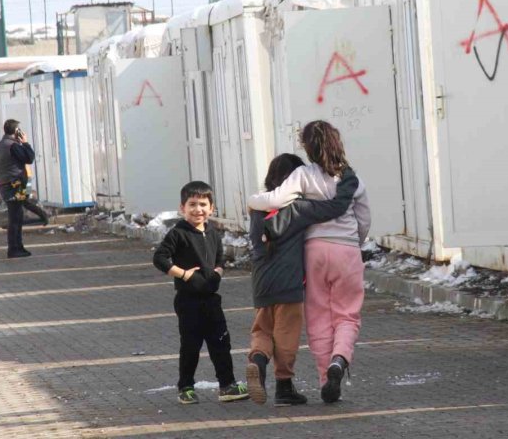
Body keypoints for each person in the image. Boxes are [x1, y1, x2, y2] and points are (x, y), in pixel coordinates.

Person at [247, 120, 371, 404]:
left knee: (318, 319)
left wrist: (253, 200)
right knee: (346, 315)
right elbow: (364, 220)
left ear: (308, 148)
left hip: (314, 251)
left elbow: (275, 199)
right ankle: (338, 361)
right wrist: (355, 243)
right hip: (347, 252)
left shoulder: (303, 175)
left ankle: (325, 379)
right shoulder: (354, 180)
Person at [152, 181, 249, 405]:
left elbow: (220, 257)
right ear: (182, 208)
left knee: (221, 342)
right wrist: (184, 275)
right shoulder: (178, 233)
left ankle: (227, 385)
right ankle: (185, 387)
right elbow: (159, 258)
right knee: (191, 345)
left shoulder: (212, 232)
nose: (198, 209)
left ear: (211, 208)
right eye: (192, 204)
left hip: (211, 300)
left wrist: (218, 272)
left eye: (203, 204)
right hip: (188, 301)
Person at [0, 119, 39, 258]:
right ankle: (14, 248)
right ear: (16, 131)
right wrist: (25, 142)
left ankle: (18, 247)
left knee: (16, 216)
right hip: (15, 186)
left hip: (5, 185)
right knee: (15, 218)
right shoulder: (12, 146)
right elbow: (29, 158)